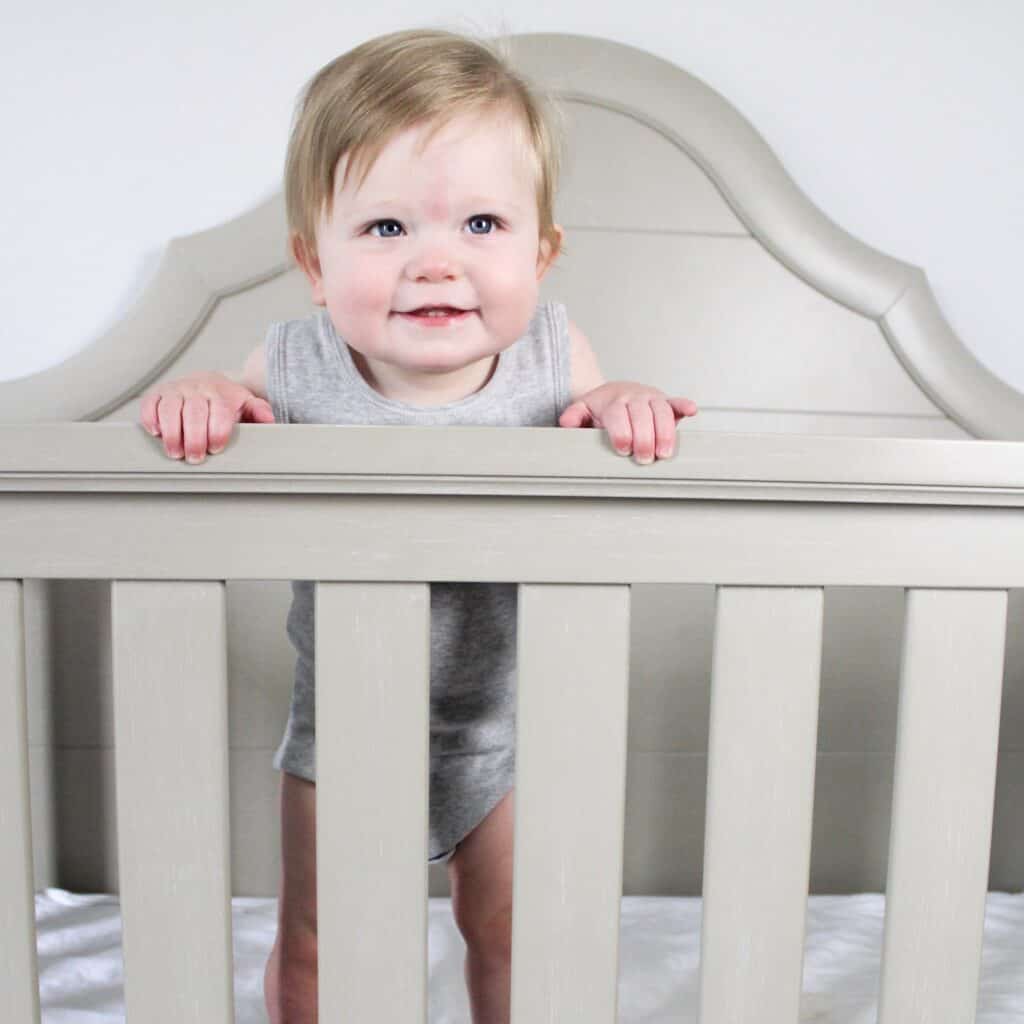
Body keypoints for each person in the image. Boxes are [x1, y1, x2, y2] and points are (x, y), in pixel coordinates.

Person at [139, 26, 697, 1024]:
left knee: (510, 933)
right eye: (387, 229)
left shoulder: (551, 355)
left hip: (504, 731)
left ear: (542, 252)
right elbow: (226, 395)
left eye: (482, 224)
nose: (435, 262)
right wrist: (205, 392)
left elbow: (607, 400)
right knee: (314, 938)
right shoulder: (298, 361)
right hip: (339, 730)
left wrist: (622, 402)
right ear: (315, 263)